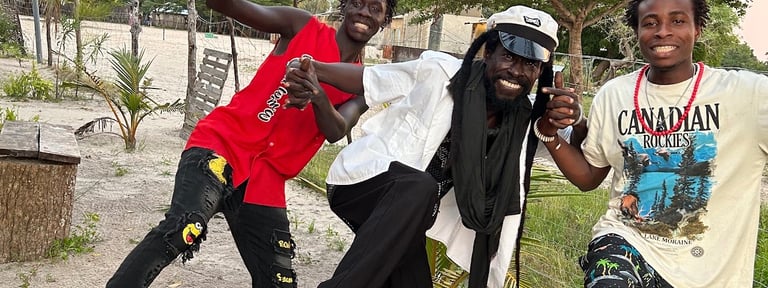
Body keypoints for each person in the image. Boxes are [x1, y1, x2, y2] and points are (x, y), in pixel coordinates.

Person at [283, 6, 581, 287]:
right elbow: (367, 79)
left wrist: (575, 117)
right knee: (419, 186)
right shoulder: (441, 73)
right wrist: (310, 66)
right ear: (488, 52)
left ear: (541, 71)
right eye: (509, 56)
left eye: (530, 63)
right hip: (363, 185)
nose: (517, 71)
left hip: (409, 219)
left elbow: (580, 152)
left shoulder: (524, 122)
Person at [105, 0, 397, 286]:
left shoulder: (363, 82)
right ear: (344, 6)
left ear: (384, 20)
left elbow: (338, 129)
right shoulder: (300, 26)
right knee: (185, 227)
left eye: (375, 8)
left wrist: (317, 95)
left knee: (278, 282)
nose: (363, 12)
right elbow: (222, 5)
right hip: (221, 146)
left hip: (265, 181)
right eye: (357, 3)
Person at [537, 0, 768, 286]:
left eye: (678, 21)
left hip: (710, 272)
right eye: (649, 23)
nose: (662, 31)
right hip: (626, 243)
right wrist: (548, 132)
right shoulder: (614, 95)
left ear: (698, 28)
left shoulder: (749, 95)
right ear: (636, 31)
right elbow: (588, 178)